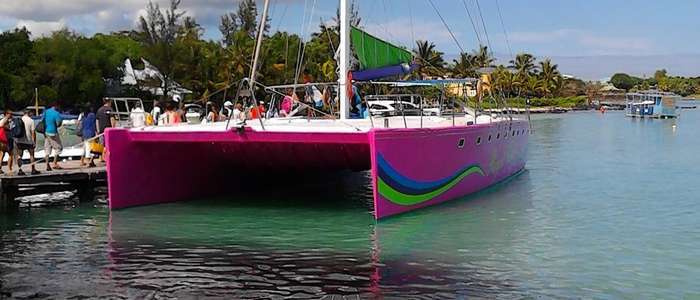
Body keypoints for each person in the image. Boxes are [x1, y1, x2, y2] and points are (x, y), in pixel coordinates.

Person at [14, 109, 40, 175]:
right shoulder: (31, 121)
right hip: (29, 141)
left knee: (20, 156)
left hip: (19, 140)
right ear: (29, 113)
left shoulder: (20, 120)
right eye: (31, 113)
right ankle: (33, 169)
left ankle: (20, 170)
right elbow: (33, 132)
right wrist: (34, 142)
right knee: (31, 155)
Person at [43, 103, 64, 171]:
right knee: (59, 147)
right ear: (56, 106)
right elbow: (58, 124)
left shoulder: (46, 112)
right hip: (53, 132)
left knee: (47, 149)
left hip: (46, 132)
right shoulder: (56, 113)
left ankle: (47, 165)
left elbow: (43, 120)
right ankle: (54, 163)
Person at [95, 98, 115, 164]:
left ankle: (101, 158)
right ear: (109, 102)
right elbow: (112, 119)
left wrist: (98, 130)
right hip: (108, 130)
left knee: (101, 144)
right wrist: (113, 128)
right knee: (107, 144)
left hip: (101, 130)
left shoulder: (99, 110)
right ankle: (106, 158)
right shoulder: (110, 109)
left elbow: (97, 120)